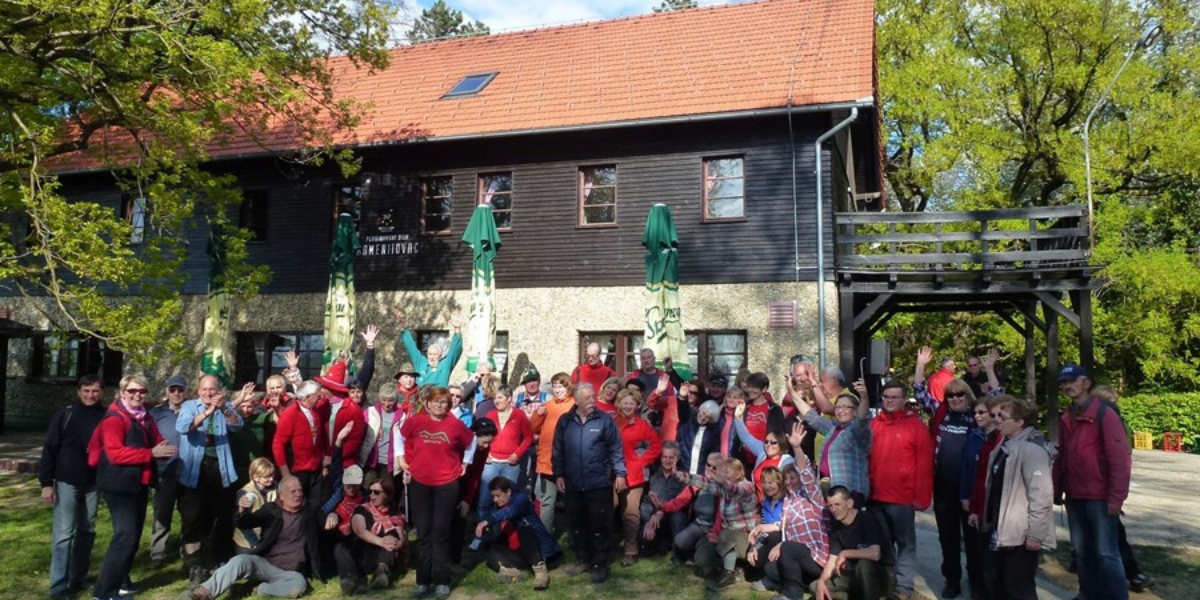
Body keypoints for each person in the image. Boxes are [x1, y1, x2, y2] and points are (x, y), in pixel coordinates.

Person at [915, 346, 992, 599]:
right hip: (944, 486)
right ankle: (952, 579)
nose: (955, 399)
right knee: (947, 537)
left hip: (971, 488)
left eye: (960, 395)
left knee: (974, 539)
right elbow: (919, 392)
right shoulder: (941, 413)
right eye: (951, 396)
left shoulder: (979, 415)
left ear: (968, 395)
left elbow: (999, 397)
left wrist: (989, 369)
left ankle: (977, 581)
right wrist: (921, 366)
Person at [91, 374, 177, 600]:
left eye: (142, 391)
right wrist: (151, 453)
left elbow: (156, 439)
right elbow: (115, 453)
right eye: (132, 391)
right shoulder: (114, 419)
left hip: (138, 484)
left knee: (133, 537)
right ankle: (103, 592)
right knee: (124, 536)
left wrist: (164, 445)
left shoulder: (144, 416)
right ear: (122, 393)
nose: (138, 395)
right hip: (117, 484)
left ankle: (122, 582)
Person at [1053, 364, 1132, 600]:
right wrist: (1057, 488)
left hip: (1100, 497)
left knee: (1106, 553)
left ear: (1086, 383)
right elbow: (1062, 455)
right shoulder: (1067, 416)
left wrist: (1116, 498)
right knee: (1082, 552)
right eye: (1064, 382)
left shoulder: (1104, 415)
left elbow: (1119, 459)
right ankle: (1087, 594)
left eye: (1073, 381)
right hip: (1075, 496)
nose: (1067, 386)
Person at [184, 476, 324, 600]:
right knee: (239, 561)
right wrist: (242, 510)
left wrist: (332, 516)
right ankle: (202, 593)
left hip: (291, 572)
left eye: (300, 490)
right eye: (293, 492)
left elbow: (325, 524)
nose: (298, 495)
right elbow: (245, 523)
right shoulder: (271, 510)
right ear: (281, 495)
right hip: (266, 564)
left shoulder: (310, 513)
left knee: (299, 585)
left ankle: (255, 589)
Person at [398, 386, 476, 599]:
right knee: (423, 534)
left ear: (448, 405)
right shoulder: (416, 421)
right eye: (435, 402)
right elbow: (399, 435)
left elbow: (472, 442)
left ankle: (442, 580)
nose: (439, 406)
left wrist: (466, 463)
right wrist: (400, 458)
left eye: (444, 402)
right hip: (420, 483)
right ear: (428, 403)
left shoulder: (455, 425)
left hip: (446, 485)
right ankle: (422, 581)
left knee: (440, 534)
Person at [40, 374, 108, 600]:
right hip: (67, 481)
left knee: (87, 531)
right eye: (86, 391)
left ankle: (79, 578)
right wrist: (46, 484)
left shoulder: (106, 416)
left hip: (93, 483)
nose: (91, 395)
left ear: (102, 393)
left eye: (95, 391)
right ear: (79, 392)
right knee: (64, 534)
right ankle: (58, 585)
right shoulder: (66, 414)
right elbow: (49, 448)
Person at [979, 397, 1054, 600]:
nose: (997, 421)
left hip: (1020, 534)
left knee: (1018, 587)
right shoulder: (1006, 446)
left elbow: (1041, 496)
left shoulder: (1033, 450)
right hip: (1001, 529)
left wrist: (1035, 535)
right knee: (997, 581)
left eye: (1003, 417)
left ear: (1020, 422)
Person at [553, 382, 627, 583]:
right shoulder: (565, 421)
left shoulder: (604, 420)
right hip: (572, 484)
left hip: (598, 484)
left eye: (593, 397)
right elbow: (558, 450)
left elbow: (616, 448)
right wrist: (558, 474)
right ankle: (583, 559)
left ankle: (599, 564)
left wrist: (620, 474)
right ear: (576, 400)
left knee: (599, 525)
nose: (592, 401)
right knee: (576, 524)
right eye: (587, 398)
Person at [748, 423, 831, 600]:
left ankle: (793, 594)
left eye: (793, 478)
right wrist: (762, 528)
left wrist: (796, 447)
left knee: (787, 549)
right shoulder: (788, 501)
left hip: (815, 557)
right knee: (771, 566)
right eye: (786, 479)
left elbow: (805, 471)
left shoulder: (812, 496)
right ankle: (802, 583)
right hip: (795, 555)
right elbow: (782, 526)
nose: (789, 482)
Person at [176, 375, 246, 580]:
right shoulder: (189, 406)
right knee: (193, 518)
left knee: (222, 516)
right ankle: (194, 565)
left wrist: (223, 409)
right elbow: (183, 428)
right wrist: (208, 412)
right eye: (204, 390)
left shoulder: (225, 407)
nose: (208, 393)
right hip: (194, 470)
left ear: (219, 391)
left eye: (212, 390)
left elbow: (237, 425)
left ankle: (220, 559)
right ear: (198, 391)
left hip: (220, 470)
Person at [868, 380, 932, 600]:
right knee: (884, 544)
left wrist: (922, 498)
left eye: (894, 397)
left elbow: (924, 464)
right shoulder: (875, 423)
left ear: (904, 399)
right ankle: (888, 582)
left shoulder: (916, 427)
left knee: (905, 544)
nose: (889, 401)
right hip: (876, 495)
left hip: (902, 497)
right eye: (886, 397)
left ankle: (904, 587)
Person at [793, 373, 872, 501]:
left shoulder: (856, 431)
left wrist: (864, 397)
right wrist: (792, 391)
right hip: (830, 493)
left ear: (855, 410)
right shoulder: (834, 428)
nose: (841, 410)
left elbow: (863, 419)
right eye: (838, 407)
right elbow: (811, 417)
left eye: (846, 407)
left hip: (850, 495)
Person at [476, 476, 561, 590]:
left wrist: (487, 521)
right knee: (489, 548)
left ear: (508, 492)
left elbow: (509, 512)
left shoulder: (521, 500)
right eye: (493, 496)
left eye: (498, 496)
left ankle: (540, 571)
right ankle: (511, 571)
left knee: (524, 529)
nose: (495, 500)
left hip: (539, 552)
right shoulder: (496, 507)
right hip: (520, 553)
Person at [813, 486, 895, 600]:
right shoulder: (836, 526)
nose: (833, 509)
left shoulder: (867, 518)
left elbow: (875, 554)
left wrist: (845, 553)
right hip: (853, 575)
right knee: (816, 586)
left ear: (850, 503)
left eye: (837, 504)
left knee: (864, 564)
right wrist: (822, 581)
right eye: (830, 505)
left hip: (878, 575)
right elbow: (833, 559)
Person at [613, 387, 662, 566]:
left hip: (633, 475)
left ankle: (630, 550)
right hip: (611, 474)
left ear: (637, 405)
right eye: (624, 403)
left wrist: (642, 461)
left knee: (631, 513)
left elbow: (655, 447)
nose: (627, 406)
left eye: (631, 403)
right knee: (608, 508)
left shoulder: (642, 425)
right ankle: (605, 546)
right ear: (619, 404)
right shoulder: (611, 422)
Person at [334, 473, 407, 594]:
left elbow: (401, 538)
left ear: (387, 494)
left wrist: (395, 544)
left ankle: (381, 575)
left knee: (390, 543)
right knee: (339, 548)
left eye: (376, 492)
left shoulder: (395, 515)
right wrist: (382, 541)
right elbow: (360, 531)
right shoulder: (362, 509)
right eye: (370, 491)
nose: (372, 495)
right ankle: (352, 579)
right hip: (360, 553)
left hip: (379, 557)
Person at [694, 456, 759, 590]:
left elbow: (738, 491)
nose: (724, 476)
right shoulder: (723, 492)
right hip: (726, 536)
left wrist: (720, 535)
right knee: (701, 556)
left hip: (747, 539)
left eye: (727, 472)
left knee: (726, 534)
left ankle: (729, 574)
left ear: (738, 473)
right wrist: (714, 534)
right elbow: (720, 517)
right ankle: (724, 568)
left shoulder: (746, 487)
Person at [960, 394, 1001, 600]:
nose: (977, 416)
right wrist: (966, 497)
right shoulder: (975, 436)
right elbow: (969, 470)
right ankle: (977, 588)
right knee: (977, 552)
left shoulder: (1002, 439)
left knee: (994, 561)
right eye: (975, 412)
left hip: (998, 508)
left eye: (982, 412)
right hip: (978, 503)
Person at [149, 374, 188, 567]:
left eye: (180, 390)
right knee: (162, 513)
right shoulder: (157, 413)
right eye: (172, 390)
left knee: (188, 513)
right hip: (165, 470)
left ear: (185, 391)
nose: (176, 393)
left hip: (188, 470)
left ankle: (187, 550)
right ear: (167, 391)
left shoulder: (193, 409)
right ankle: (158, 551)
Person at [529, 372, 575, 534]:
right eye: (554, 386)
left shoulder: (574, 406)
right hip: (547, 462)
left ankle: (574, 536)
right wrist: (538, 414)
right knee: (547, 502)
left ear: (568, 387)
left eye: (561, 386)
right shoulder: (547, 405)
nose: (557, 390)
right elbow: (533, 428)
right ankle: (545, 537)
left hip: (569, 463)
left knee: (572, 502)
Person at [272, 381, 329, 508]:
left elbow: (322, 435)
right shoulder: (290, 414)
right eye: (317, 394)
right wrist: (286, 474)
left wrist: (326, 457)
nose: (320, 397)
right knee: (297, 507)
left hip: (316, 470)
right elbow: (278, 445)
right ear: (308, 397)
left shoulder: (316, 410)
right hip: (297, 471)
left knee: (314, 507)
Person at [479, 385, 534, 515]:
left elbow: (528, 437)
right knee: (484, 498)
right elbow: (483, 436)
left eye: (500, 397)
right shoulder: (490, 415)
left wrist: (518, 453)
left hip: (511, 464)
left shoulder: (519, 415)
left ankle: (504, 532)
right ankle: (481, 531)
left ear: (509, 399)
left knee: (507, 500)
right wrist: (484, 454)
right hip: (491, 463)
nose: (496, 401)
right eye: (495, 398)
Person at [732, 397, 795, 499]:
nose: (768, 445)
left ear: (781, 443)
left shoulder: (788, 461)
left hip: (778, 506)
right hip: (759, 505)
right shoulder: (762, 453)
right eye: (766, 442)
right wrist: (738, 418)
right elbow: (746, 437)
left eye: (773, 442)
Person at [640, 441, 691, 558]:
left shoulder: (683, 476)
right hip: (655, 520)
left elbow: (681, 502)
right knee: (643, 540)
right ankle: (663, 543)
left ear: (677, 459)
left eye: (671, 458)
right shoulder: (652, 475)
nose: (667, 461)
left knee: (678, 517)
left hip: (674, 518)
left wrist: (661, 512)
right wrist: (647, 521)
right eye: (664, 457)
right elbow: (646, 503)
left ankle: (678, 553)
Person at [395, 308, 464, 387]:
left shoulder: (445, 364)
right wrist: (402, 326)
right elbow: (411, 346)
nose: (431, 357)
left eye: (435, 354)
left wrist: (457, 329)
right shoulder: (421, 362)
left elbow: (455, 350)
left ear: (440, 356)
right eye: (430, 354)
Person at [234, 457, 278, 553]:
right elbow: (241, 523)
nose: (271, 479)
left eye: (272, 475)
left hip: (267, 538)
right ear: (255, 477)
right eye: (267, 477)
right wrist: (255, 544)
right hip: (248, 543)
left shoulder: (276, 487)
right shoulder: (246, 493)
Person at [360, 384, 404, 478]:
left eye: (390, 400)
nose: (387, 404)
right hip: (370, 461)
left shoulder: (402, 416)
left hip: (390, 464)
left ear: (395, 400)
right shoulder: (370, 412)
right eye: (384, 400)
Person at [676, 400, 721, 474]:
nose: (703, 418)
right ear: (700, 409)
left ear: (711, 420)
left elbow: (713, 454)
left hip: (700, 473)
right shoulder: (687, 419)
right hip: (682, 469)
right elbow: (682, 408)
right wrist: (682, 397)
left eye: (708, 417)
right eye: (703, 413)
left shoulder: (712, 433)